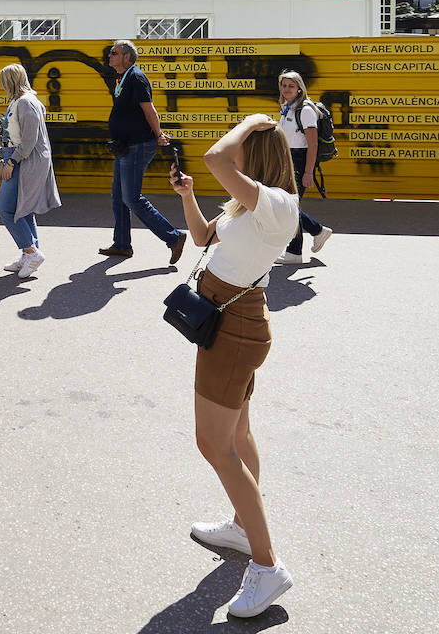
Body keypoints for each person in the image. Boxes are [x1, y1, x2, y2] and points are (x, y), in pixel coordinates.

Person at [169, 115, 299, 619]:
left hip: (236, 327)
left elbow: (214, 156)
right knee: (238, 433)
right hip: (227, 322)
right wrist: (188, 194)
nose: (233, 156)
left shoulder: (279, 206)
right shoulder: (248, 206)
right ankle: (246, 531)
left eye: (242, 148)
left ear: (255, 154)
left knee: (214, 445)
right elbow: (203, 238)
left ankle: (268, 567)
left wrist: (247, 123)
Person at [101, 40, 187, 264]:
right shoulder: (122, 78)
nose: (109, 56)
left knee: (132, 198)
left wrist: (158, 134)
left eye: (114, 52)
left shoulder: (137, 78)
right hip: (126, 145)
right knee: (119, 196)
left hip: (138, 145)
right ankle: (122, 244)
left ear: (127, 57)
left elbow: (149, 110)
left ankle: (174, 237)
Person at [0, 64, 62, 279]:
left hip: (23, 160)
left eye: (3, 81)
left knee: (6, 208)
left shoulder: (25, 102)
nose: (1, 85)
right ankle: (29, 254)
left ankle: (32, 252)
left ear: (11, 81)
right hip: (20, 158)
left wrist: (11, 162)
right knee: (23, 209)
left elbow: (30, 140)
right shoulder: (22, 100)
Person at [275, 70, 334, 264]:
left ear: (300, 88)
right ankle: (317, 231)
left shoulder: (305, 110)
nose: (286, 89)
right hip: (288, 159)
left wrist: (308, 172)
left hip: (299, 161)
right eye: (284, 85)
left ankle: (295, 251)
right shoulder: (288, 107)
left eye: (291, 86)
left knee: (289, 206)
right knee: (288, 205)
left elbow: (313, 144)